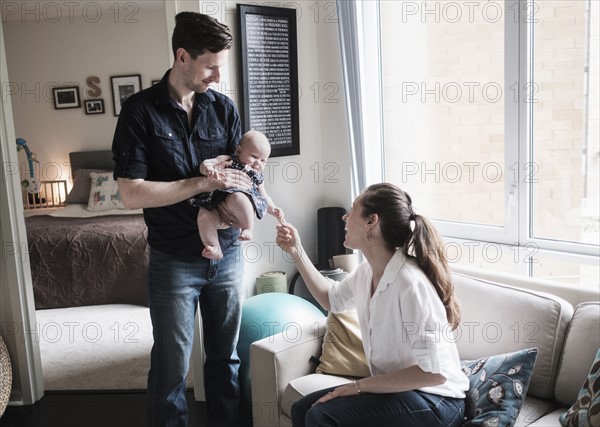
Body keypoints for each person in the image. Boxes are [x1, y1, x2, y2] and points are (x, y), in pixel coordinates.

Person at [112, 12, 250, 427]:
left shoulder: (224, 109)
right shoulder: (139, 112)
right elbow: (131, 193)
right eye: (211, 66)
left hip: (226, 256)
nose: (217, 77)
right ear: (183, 56)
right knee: (171, 368)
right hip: (173, 260)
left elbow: (240, 176)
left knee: (226, 360)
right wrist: (196, 183)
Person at [276, 183, 469, 427]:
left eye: (352, 209)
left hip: (438, 400)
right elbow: (331, 299)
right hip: (402, 392)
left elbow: (434, 373)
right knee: (304, 408)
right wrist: (296, 251)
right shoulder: (367, 272)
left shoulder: (410, 284)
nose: (344, 217)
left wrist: (358, 386)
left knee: (320, 415)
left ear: (371, 221)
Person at [190, 130, 285, 259]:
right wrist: (208, 168)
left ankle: (247, 228)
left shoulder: (256, 176)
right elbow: (207, 164)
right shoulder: (228, 159)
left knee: (238, 198)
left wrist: (273, 209)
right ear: (239, 151)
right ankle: (214, 247)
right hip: (215, 203)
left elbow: (264, 196)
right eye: (254, 157)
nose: (258, 163)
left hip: (236, 207)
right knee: (203, 216)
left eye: (263, 161)